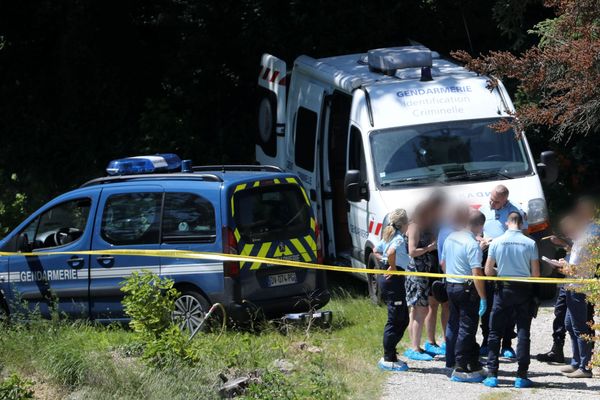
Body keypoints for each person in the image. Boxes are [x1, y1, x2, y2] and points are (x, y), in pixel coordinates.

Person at [482, 212, 540, 389]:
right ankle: (521, 376)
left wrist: (500, 271)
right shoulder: (530, 243)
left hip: (503, 290)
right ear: (521, 224)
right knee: (523, 333)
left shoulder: (497, 242)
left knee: (495, 332)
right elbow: (536, 274)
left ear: (507, 223)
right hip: (523, 291)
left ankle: (492, 374)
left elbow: (487, 271)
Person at [479, 184, 526, 359]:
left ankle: (507, 343)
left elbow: (523, 234)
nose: (492, 202)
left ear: (505, 200)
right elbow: (476, 231)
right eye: (491, 198)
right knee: (489, 301)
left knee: (508, 303)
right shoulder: (484, 208)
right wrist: (482, 239)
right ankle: (486, 341)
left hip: (507, 261)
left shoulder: (516, 213)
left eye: (496, 201)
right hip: (488, 258)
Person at [441, 207, 487, 382]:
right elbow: (477, 274)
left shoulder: (451, 237)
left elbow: (444, 263)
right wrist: (483, 297)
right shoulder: (472, 245)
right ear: (480, 226)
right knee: (467, 327)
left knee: (453, 324)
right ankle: (461, 366)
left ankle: (454, 361)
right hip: (466, 289)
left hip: (451, 284)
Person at [556, 196, 598, 378]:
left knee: (579, 327)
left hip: (578, 285)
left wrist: (559, 265)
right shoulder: (589, 231)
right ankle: (576, 362)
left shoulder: (587, 234)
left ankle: (584, 367)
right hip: (576, 284)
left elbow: (575, 266)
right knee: (569, 324)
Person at [536, 215, 578, 363]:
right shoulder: (572, 241)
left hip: (578, 287)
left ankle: (582, 359)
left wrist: (563, 243)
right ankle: (557, 349)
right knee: (560, 315)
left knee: (578, 322)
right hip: (567, 285)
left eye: (566, 229)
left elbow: (578, 264)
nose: (565, 232)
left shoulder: (582, 241)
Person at [374, 209, 411, 371]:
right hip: (393, 280)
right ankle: (388, 357)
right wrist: (392, 267)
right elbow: (390, 252)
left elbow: (376, 250)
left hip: (394, 279)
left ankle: (392, 353)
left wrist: (384, 263)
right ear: (403, 224)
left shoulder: (388, 237)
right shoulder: (398, 239)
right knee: (395, 318)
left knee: (403, 318)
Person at [404, 201, 438, 361]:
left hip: (422, 272)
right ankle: (415, 348)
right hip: (416, 273)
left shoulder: (422, 227)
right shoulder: (415, 227)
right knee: (421, 310)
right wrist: (429, 248)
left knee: (416, 311)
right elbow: (412, 251)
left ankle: (415, 345)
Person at [424, 192, 449, 357]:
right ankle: (430, 341)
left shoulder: (448, 221)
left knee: (446, 305)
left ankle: (448, 341)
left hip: (446, 266)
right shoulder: (425, 222)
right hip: (432, 266)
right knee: (432, 306)